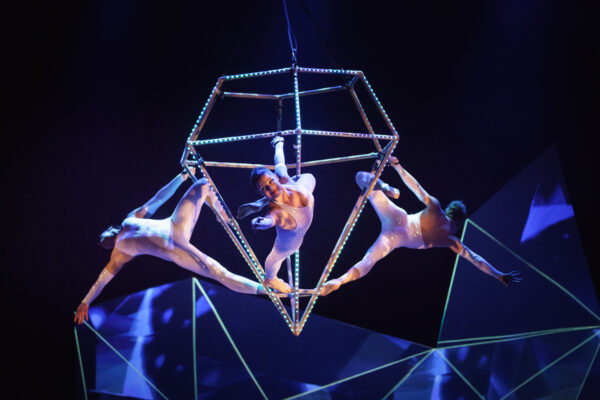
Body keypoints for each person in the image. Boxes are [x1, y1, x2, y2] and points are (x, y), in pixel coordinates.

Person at [74, 169, 265, 325]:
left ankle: (221, 215)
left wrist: (181, 177)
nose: (101, 242)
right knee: (219, 273)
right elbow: (102, 280)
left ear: (109, 229)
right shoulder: (120, 253)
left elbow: (158, 199)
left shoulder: (130, 218)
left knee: (203, 183)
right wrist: (86, 301)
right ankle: (266, 290)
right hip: (175, 252)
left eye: (101, 237)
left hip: (175, 225)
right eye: (101, 244)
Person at [320, 156, 521, 295]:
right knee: (369, 260)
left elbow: (416, 187)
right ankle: (340, 280)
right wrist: (498, 275)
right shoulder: (451, 241)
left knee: (361, 178)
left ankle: (387, 187)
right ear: (460, 222)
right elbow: (475, 259)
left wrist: (398, 166)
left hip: (398, 219)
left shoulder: (435, 208)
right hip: (395, 238)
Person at [237, 136, 316, 294]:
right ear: (261, 192)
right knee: (274, 258)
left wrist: (278, 143)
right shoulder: (277, 212)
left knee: (308, 177)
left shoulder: (283, 177)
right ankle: (271, 279)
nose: (270, 188)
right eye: (264, 189)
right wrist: (260, 222)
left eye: (271, 182)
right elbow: (270, 220)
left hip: (301, 189)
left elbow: (279, 161)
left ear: (276, 177)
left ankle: (262, 202)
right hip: (291, 242)